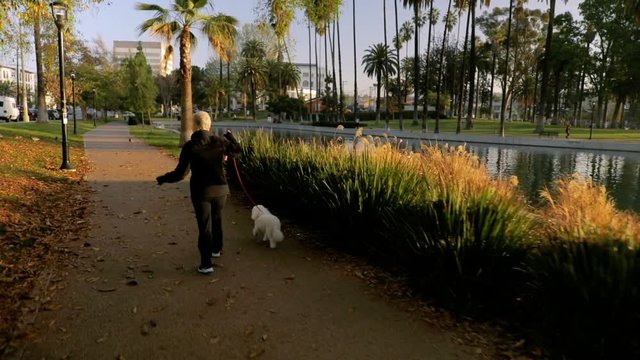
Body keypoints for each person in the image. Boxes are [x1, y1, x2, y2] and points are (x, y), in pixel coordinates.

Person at [156, 111, 240, 274]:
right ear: (209, 125)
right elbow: (236, 151)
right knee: (217, 218)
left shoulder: (190, 146)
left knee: (204, 226)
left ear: (194, 125)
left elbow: (181, 173)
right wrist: (230, 137)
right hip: (221, 189)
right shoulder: (220, 141)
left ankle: (206, 264)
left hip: (202, 192)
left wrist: (163, 178)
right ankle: (216, 248)